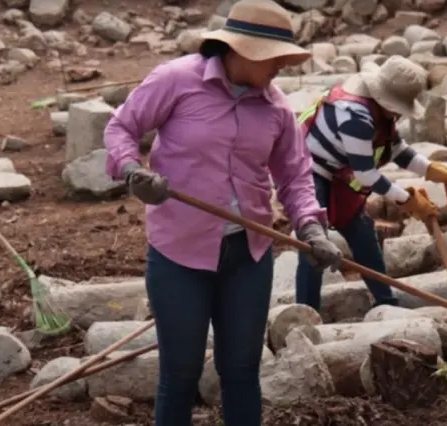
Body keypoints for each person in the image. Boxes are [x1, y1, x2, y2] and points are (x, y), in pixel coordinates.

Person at [104, 1, 341, 424]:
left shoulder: (277, 109)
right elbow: (122, 127)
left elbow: (295, 177)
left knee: (242, 371)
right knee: (180, 375)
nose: (281, 67)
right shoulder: (176, 80)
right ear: (241, 51)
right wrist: (131, 170)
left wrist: (311, 227)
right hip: (180, 253)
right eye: (275, 58)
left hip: (247, 256)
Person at [295, 55, 447, 312]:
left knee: (363, 233)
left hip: (339, 174)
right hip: (309, 171)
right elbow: (365, 174)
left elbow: (398, 150)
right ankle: (305, 311)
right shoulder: (356, 116)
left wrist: (434, 171)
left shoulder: (383, 114)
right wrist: (408, 201)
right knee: (315, 245)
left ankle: (387, 301)